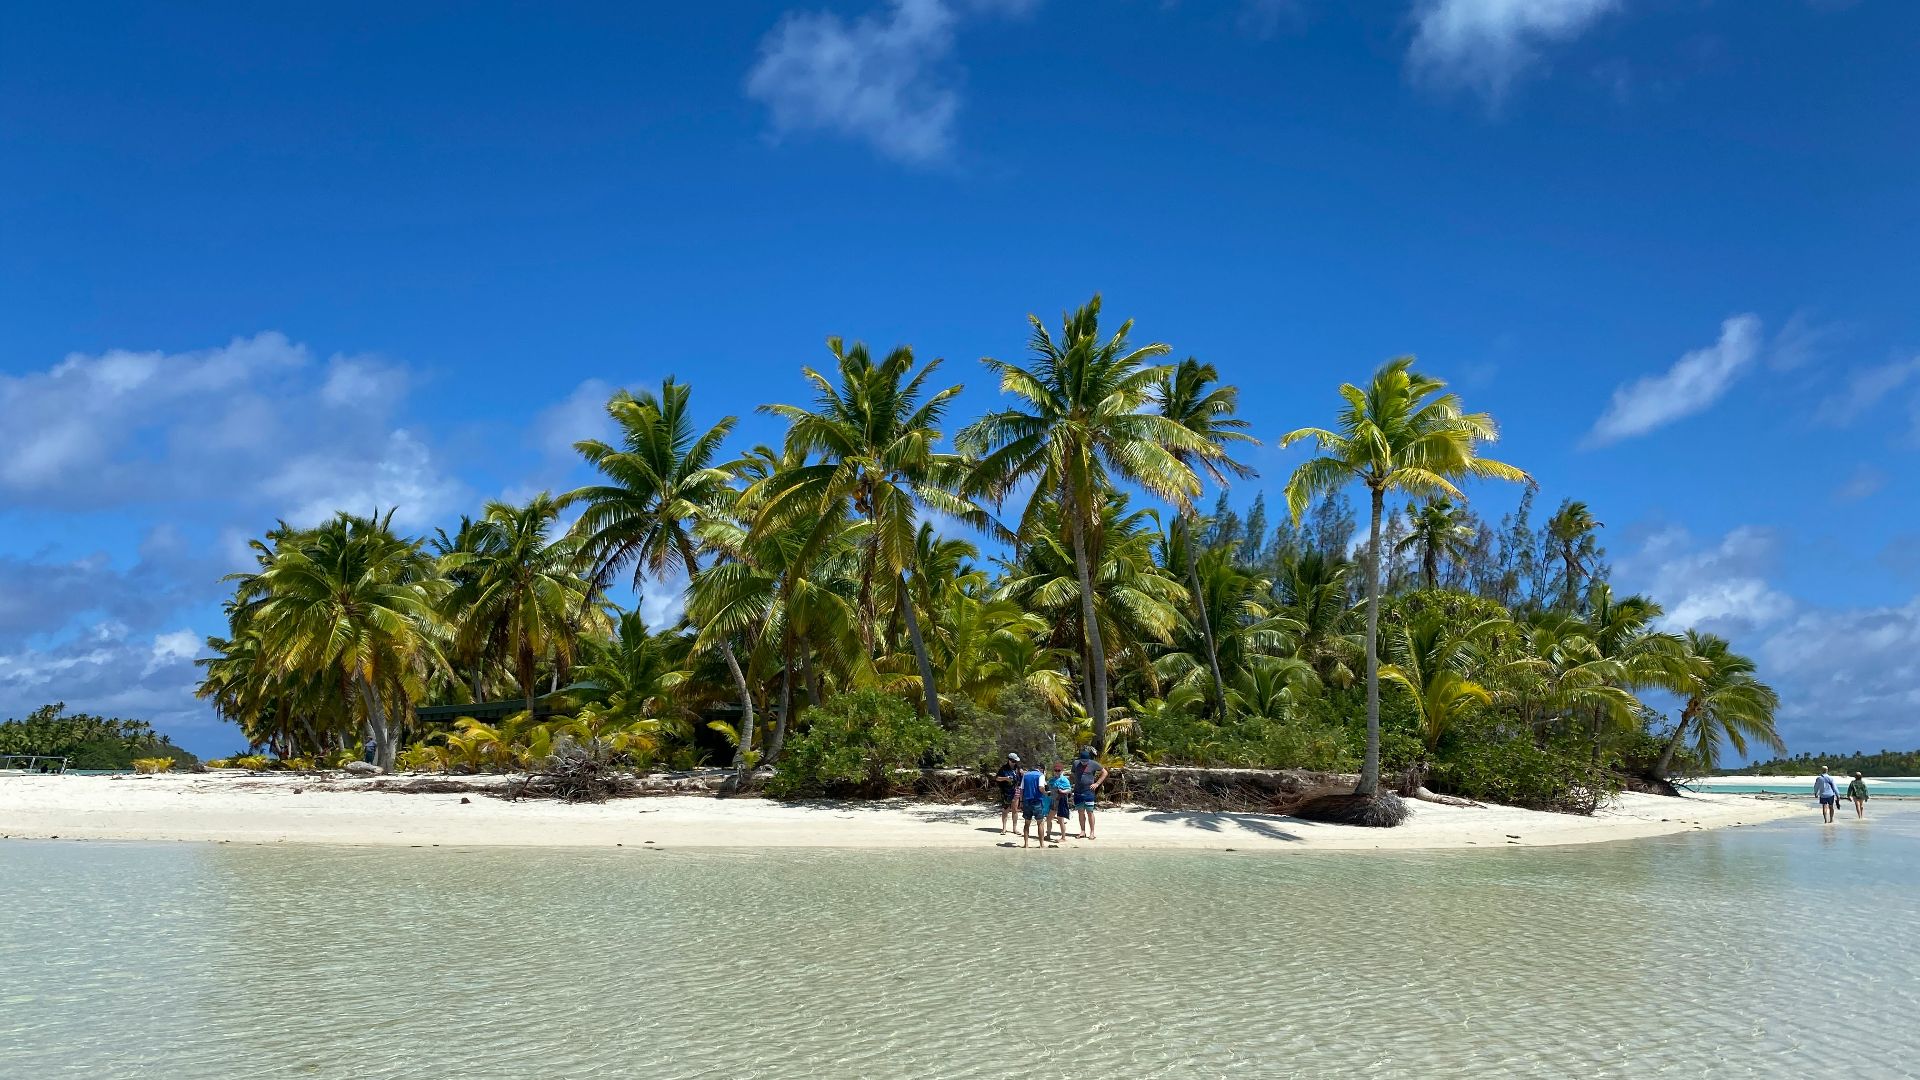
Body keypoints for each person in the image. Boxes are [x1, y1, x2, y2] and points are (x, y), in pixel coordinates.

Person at [1070, 747, 1109, 840]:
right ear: (1080, 759)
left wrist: (1097, 783)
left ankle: (1092, 832)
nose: (1084, 763)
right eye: (1083, 761)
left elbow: (1105, 772)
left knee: (1090, 812)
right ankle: (1082, 831)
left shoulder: (1093, 764)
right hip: (1078, 791)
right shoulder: (1075, 763)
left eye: (1086, 761)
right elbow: (1072, 775)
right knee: (1080, 812)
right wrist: (1072, 784)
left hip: (1089, 792)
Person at [1019, 763, 1053, 848]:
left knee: (1027, 823)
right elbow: (1041, 787)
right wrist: (1046, 793)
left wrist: (1021, 801)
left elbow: (1022, 789)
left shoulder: (1025, 775)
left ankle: (1026, 844)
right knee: (1040, 823)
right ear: (1041, 769)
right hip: (1037, 801)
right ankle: (1041, 845)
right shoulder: (1040, 775)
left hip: (1027, 801)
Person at [993, 753, 1021, 834]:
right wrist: (1006, 778)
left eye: (1016, 761)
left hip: (1016, 790)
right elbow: (997, 778)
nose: (1014, 762)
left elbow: (1021, 778)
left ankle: (1014, 828)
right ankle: (1004, 828)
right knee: (1006, 809)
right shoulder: (1003, 769)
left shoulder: (1017, 768)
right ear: (1009, 760)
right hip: (1006, 792)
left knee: (1015, 809)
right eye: (1013, 761)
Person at [1049, 761, 1074, 839]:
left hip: (1061, 801)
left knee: (1060, 820)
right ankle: (1048, 835)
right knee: (1049, 818)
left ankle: (1063, 837)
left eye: (1058, 771)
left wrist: (1063, 791)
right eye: (1055, 770)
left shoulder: (1064, 780)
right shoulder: (1051, 780)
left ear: (1062, 771)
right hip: (1053, 801)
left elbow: (1069, 789)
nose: (1057, 772)